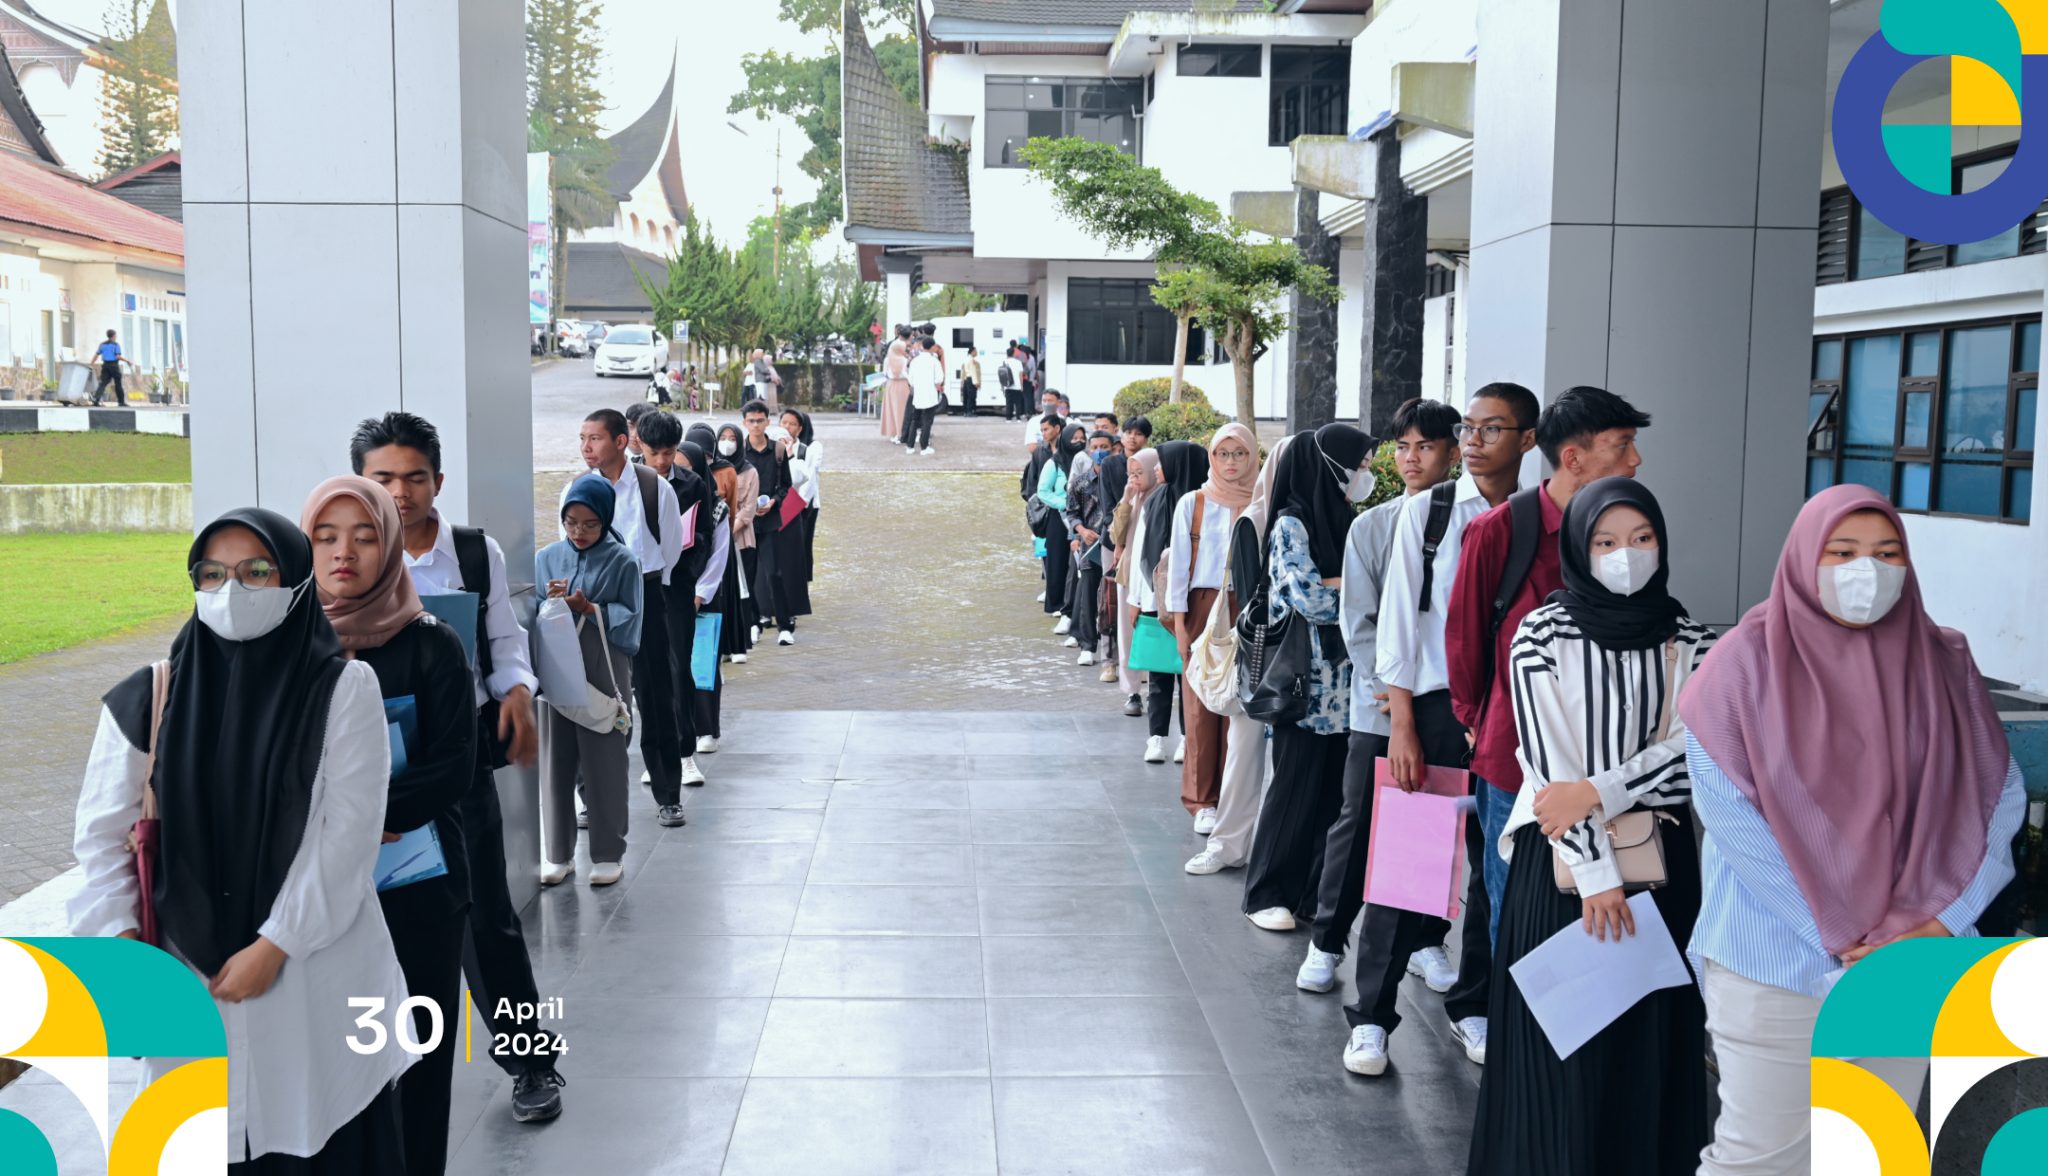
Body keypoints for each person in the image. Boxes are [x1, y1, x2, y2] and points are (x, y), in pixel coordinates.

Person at [1679, 485, 2025, 1175]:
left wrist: (1940, 923)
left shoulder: (1943, 661)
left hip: (1912, 958)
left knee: (1875, 1153)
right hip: (1775, 960)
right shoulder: (1742, 665)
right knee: (1759, 1159)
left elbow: (1997, 796)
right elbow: (1735, 824)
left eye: (1887, 553)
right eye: (1842, 552)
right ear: (1804, 558)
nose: (1866, 570)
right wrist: (1845, 937)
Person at [72, 508, 411, 1171]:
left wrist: (274, 946)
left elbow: (346, 842)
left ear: (295, 582)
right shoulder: (149, 697)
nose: (232, 591)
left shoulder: (343, 689)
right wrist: (126, 948)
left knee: (320, 1140)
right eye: (212, 574)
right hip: (185, 986)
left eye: (257, 572)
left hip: (315, 980)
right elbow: (100, 840)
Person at [1467, 478, 1717, 1174]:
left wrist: (1597, 790)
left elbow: (1693, 757)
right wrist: (1597, 875)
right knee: (1562, 1056)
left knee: (1648, 1052)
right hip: (1560, 872)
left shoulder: (1692, 639)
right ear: (1579, 547)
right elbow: (1550, 770)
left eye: (1641, 539)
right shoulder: (1541, 634)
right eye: (1605, 541)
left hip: (1661, 866)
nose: (1625, 554)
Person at [349, 411, 566, 1125]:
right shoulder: (339, 555)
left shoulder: (473, 554)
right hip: (361, 766)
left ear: (438, 481)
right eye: (383, 478)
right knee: (369, 922)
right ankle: (377, 1076)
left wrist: (517, 691)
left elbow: (504, 642)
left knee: (484, 916)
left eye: (415, 477)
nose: (400, 493)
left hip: (454, 757)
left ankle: (531, 1062)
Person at [1353, 382, 1538, 1075]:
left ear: (1528, 440)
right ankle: (1372, 1018)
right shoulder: (1429, 512)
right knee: (1410, 863)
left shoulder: (1535, 516)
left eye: (1494, 429)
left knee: (1496, 867)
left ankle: (1474, 1006)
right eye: (1469, 428)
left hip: (1507, 713)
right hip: (1433, 706)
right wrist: (1402, 723)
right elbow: (1399, 621)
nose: (1475, 441)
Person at [301, 475, 477, 1176]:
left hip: (417, 889)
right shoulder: (290, 647)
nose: (343, 553)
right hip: (318, 899)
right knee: (337, 1074)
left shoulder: (430, 645)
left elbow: (454, 765)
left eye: (364, 537)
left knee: (417, 1060)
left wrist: (362, 818)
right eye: (325, 537)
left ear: (392, 545)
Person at [1448, 384, 1652, 945]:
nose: (1635, 460)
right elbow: (1464, 640)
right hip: (1514, 759)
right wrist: (1475, 721)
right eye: (1622, 445)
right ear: (1573, 458)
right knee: (1513, 905)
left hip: (1605, 766)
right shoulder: (1499, 531)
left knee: (1603, 909)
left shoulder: (1626, 535)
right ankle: (1506, 1003)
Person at [1294, 400, 1463, 1007]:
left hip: (1446, 707)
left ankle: (1424, 940)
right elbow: (1358, 620)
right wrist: (1393, 693)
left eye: (1426, 446)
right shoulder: (1373, 526)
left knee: (1432, 822)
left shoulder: (1473, 521)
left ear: (1453, 452)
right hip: (1379, 708)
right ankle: (1327, 940)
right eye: (1402, 447)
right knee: (1359, 821)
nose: (1411, 458)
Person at [1239, 423, 1371, 931]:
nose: (1365, 474)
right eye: (1359, 465)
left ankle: (1312, 894)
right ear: (1329, 466)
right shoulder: (1291, 524)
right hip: (1305, 686)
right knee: (1293, 790)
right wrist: (1357, 591)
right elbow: (1310, 598)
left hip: (1346, 689)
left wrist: (1343, 584)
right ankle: (1265, 893)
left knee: (1332, 798)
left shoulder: (1345, 518)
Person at [563, 410, 686, 818]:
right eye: (582, 439)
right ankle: (592, 799)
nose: (586, 447)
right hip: (593, 599)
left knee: (657, 697)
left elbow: (670, 549)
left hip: (647, 595)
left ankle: (669, 795)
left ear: (621, 441)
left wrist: (644, 586)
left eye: (595, 438)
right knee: (597, 698)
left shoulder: (653, 487)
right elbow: (569, 546)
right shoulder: (575, 490)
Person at [1184, 432, 1293, 876]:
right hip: (1263, 652)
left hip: (1311, 664)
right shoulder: (1256, 519)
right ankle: (1227, 840)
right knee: (1242, 746)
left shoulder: (1332, 516)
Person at [536, 475, 644, 887]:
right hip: (557, 663)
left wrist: (588, 608)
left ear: (605, 520)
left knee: (606, 761)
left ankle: (608, 853)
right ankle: (558, 854)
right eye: (571, 522)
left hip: (604, 662)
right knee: (556, 760)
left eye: (590, 524)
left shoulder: (623, 561)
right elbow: (533, 611)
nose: (578, 532)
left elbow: (632, 620)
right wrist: (552, 604)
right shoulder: (546, 557)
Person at [1165, 423, 1258, 837]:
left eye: (1239, 454)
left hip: (1248, 606)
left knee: (1239, 707)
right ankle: (1202, 800)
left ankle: (1232, 797)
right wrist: (1182, 627)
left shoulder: (1261, 500)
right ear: (1212, 457)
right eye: (1223, 454)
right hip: (1203, 606)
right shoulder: (1195, 502)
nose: (1231, 462)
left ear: (1252, 457)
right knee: (1200, 705)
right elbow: (1178, 569)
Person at [637, 410, 717, 820]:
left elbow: (705, 534)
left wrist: (687, 568)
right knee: (642, 677)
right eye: (655, 453)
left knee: (678, 668)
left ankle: (684, 752)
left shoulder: (692, 483)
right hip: (638, 587)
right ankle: (654, 755)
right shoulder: (629, 482)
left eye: (668, 453)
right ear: (640, 446)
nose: (662, 461)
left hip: (678, 586)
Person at [1135, 439, 1208, 763]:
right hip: (1158, 599)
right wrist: (1139, 599)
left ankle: (1186, 737)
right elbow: (1141, 553)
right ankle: (1156, 737)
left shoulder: (1203, 504)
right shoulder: (1156, 500)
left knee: (1189, 674)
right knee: (1160, 673)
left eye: (1162, 462)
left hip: (1195, 601)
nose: (1156, 469)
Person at [686, 423, 742, 748]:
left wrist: (699, 593)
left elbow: (719, 556)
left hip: (705, 597)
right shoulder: (667, 499)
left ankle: (706, 730)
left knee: (704, 663)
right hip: (673, 593)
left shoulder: (716, 507)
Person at [742, 399, 811, 642]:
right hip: (746, 523)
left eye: (760, 420)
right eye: (751, 421)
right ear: (744, 423)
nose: (756, 425)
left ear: (768, 422)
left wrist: (773, 501)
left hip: (770, 521)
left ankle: (784, 625)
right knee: (748, 576)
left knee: (774, 573)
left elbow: (785, 486)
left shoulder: (778, 451)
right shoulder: (740, 452)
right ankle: (753, 622)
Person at [1111, 447, 1162, 718]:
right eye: (1132, 474)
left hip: (1154, 579)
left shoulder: (1163, 498)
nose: (1135, 479)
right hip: (1129, 575)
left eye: (1140, 473)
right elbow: (1115, 535)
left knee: (1154, 633)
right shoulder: (1132, 498)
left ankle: (1156, 688)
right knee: (1127, 635)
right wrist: (1126, 499)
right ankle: (1132, 691)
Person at [1062, 427, 1115, 667]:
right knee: (1087, 596)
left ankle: (1113, 648)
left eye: (1104, 447)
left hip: (1115, 545)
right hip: (1090, 546)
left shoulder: (1122, 477)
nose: (1100, 452)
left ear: (1113, 449)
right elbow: (1071, 513)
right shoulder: (1080, 483)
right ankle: (1087, 645)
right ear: (1088, 450)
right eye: (1095, 448)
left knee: (1113, 596)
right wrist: (1082, 532)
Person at [712, 422, 763, 662]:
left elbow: (748, 510)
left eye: (732, 438)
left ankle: (743, 640)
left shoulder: (750, 471)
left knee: (744, 591)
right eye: (723, 437)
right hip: (718, 541)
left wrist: (727, 529)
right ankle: (724, 645)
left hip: (742, 540)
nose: (727, 443)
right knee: (723, 595)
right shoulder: (712, 468)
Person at [780, 408, 823, 584]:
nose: (787, 427)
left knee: (802, 544)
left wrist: (798, 505)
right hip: (780, 504)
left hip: (803, 506)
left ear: (800, 428)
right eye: (784, 423)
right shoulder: (774, 445)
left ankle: (801, 582)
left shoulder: (810, 448)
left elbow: (809, 480)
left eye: (792, 424)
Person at [905, 336, 945, 455]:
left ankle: (910, 446)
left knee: (914, 420)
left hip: (918, 395)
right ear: (932, 347)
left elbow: (910, 380)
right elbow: (939, 378)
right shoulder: (934, 361)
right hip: (930, 395)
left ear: (922, 346)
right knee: (927, 421)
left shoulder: (915, 361)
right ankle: (924, 447)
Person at [879, 324, 913, 440]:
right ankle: (901, 433)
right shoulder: (905, 360)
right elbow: (908, 374)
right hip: (902, 385)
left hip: (890, 385)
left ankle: (894, 433)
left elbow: (885, 373)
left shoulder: (888, 359)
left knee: (892, 410)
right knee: (902, 410)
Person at [89, 328, 135, 406]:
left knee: (103, 383)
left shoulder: (102, 345)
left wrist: (91, 364)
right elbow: (118, 356)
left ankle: (96, 400)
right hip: (114, 366)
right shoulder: (116, 345)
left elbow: (96, 355)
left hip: (105, 366)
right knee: (118, 383)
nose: (116, 337)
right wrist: (127, 361)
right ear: (113, 336)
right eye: (116, 335)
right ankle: (121, 402)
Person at [750, 348, 783, 412]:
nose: (763, 354)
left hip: (763, 381)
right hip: (760, 381)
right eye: (762, 353)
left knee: (764, 396)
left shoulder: (761, 361)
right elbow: (763, 370)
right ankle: (759, 409)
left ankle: (763, 409)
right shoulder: (758, 361)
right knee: (761, 396)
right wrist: (768, 371)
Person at [998, 345, 1026, 420]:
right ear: (1014, 353)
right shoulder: (1018, 362)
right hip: (1017, 386)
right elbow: (1020, 375)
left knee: (1008, 402)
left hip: (1007, 385)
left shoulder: (1004, 362)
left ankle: (1008, 418)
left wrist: (1002, 386)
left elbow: (1001, 375)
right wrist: (1022, 385)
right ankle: (1018, 418)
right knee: (1018, 402)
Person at [957, 346, 981, 416]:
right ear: (972, 352)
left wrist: (962, 381)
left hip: (966, 379)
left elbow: (962, 371)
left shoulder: (965, 359)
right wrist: (976, 382)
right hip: (971, 379)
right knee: (971, 396)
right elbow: (973, 372)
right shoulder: (971, 360)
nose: (976, 352)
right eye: (975, 351)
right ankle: (970, 412)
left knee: (966, 396)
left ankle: (965, 411)